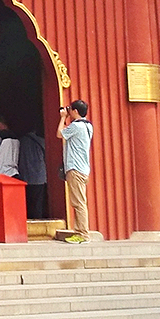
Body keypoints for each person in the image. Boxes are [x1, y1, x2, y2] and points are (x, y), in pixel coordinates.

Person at [57, 100, 93, 240]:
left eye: (71, 110)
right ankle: (80, 231)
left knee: (78, 202)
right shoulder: (88, 126)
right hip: (83, 167)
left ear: (76, 112)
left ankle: (82, 234)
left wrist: (62, 118)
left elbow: (60, 134)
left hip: (75, 168)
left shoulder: (76, 126)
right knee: (79, 201)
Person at [17, 126, 48, 221]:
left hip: (25, 176)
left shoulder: (20, 142)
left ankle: (27, 220)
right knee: (38, 202)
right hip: (39, 176)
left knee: (27, 201)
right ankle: (38, 220)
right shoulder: (41, 141)